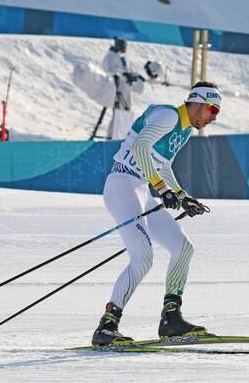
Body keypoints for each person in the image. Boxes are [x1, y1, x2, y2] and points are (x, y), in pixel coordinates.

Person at [92, 81, 222, 346]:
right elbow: (140, 147)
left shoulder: (183, 131)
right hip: (122, 185)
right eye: (211, 109)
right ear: (196, 103)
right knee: (143, 257)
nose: (213, 117)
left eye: (217, 112)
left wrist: (182, 196)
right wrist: (163, 190)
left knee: (183, 248)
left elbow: (160, 166)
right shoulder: (169, 115)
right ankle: (107, 326)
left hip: (140, 189)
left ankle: (171, 319)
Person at [102, 37, 145, 139]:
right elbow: (109, 71)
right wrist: (123, 75)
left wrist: (136, 76)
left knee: (126, 112)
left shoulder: (122, 57)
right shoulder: (110, 56)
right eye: (124, 46)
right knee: (118, 113)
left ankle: (123, 135)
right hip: (117, 89)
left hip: (126, 88)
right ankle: (111, 136)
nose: (125, 48)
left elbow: (126, 71)